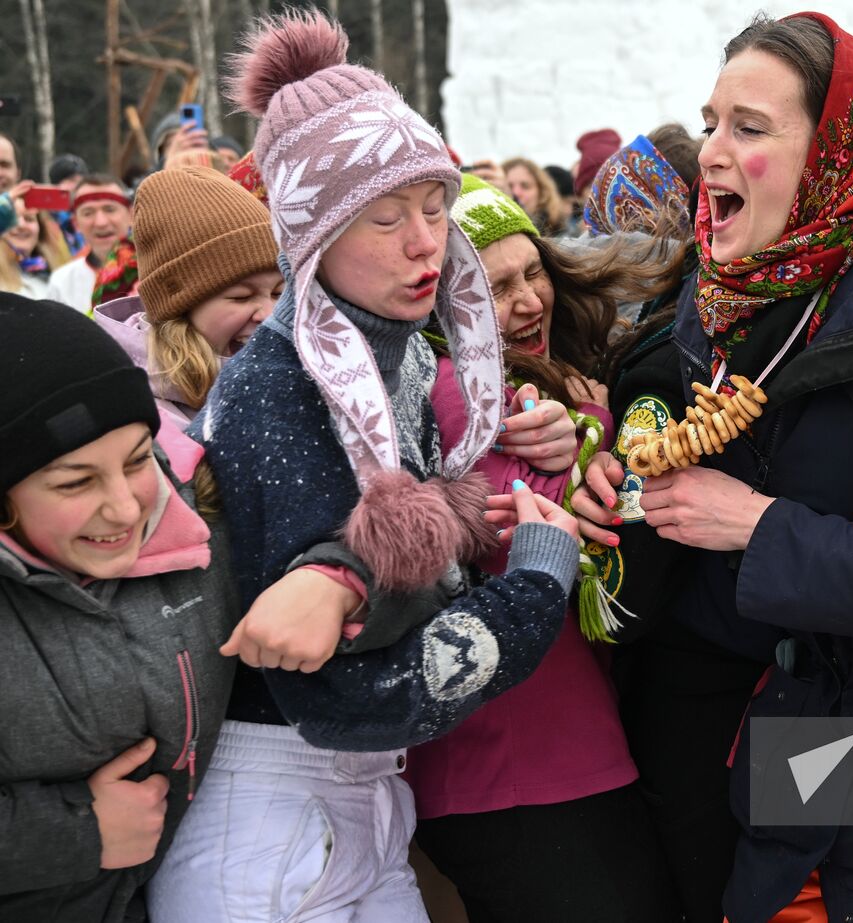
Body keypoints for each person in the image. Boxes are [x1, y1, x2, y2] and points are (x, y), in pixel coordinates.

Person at [573, 12, 853, 921]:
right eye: (709, 121)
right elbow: (727, 580)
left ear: (835, 150)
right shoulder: (738, 296)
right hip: (787, 787)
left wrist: (756, 526)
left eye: (749, 128)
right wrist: (623, 505)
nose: (709, 152)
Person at [147, 12, 575, 921]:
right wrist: (534, 587)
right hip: (271, 814)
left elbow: (389, 572)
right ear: (314, 232)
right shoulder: (283, 382)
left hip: (364, 802)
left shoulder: (398, 354)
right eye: (386, 217)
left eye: (433, 206)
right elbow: (347, 699)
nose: (427, 242)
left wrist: (468, 515)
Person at [405, 174, 681, 923]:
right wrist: (594, 427)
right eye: (496, 287)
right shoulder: (456, 393)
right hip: (521, 760)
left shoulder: (530, 387)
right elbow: (543, 533)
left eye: (534, 272)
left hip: (548, 752)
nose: (529, 300)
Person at [0, 294, 241, 921]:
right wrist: (76, 832)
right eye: (75, 481)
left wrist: (336, 581)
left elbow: (347, 546)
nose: (127, 509)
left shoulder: (190, 522)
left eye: (137, 461)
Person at [93, 165, 281, 422]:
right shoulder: (137, 413)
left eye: (279, 293)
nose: (269, 314)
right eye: (241, 297)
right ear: (180, 306)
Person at [44, 174, 133, 312]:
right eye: (88, 213)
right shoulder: (62, 282)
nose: (100, 222)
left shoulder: (153, 272)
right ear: (75, 223)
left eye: (109, 209)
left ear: (131, 215)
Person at [1, 196, 72, 297]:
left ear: (40, 230)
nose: (21, 225)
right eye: (11, 219)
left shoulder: (58, 276)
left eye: (29, 219)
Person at [503, 156, 570, 235]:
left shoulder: (561, 234)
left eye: (525, 186)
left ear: (542, 193)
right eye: (509, 186)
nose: (516, 193)